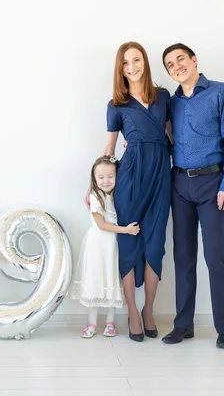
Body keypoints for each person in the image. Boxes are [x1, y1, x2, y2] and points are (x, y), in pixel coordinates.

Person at [86, 41, 172, 342]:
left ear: (145, 63)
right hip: (131, 177)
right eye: (126, 63)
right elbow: (110, 148)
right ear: (119, 69)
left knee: (156, 243)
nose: (132, 67)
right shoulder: (115, 106)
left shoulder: (163, 97)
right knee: (128, 241)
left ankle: (149, 309)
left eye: (137, 60)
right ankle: (132, 312)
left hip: (161, 176)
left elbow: (171, 136)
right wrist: (93, 184)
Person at [161, 43, 224, 349]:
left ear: (194, 60)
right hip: (179, 184)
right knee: (183, 258)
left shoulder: (222, 92)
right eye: (170, 64)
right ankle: (183, 325)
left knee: (215, 257)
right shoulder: (171, 103)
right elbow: (167, 140)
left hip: (213, 184)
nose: (177, 66)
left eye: (180, 59)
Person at [72, 156, 140, 338]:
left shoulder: (118, 195)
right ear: (94, 179)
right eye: (101, 177)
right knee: (95, 282)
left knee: (111, 281)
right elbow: (102, 225)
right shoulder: (95, 196)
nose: (106, 181)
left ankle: (110, 323)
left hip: (112, 246)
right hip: (97, 245)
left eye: (111, 176)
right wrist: (126, 230)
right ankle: (92, 323)